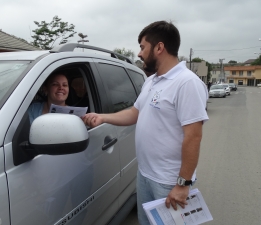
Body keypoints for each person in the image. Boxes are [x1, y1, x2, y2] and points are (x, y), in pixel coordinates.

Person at [82, 21, 208, 225]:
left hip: (169, 181)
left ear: (159, 47)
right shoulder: (152, 81)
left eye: (142, 47)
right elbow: (135, 113)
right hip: (145, 174)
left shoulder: (187, 83)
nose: (139, 54)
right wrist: (103, 117)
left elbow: (194, 136)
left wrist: (183, 184)